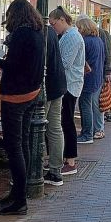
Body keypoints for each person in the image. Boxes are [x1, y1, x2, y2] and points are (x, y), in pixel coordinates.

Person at [0, 0, 44, 215]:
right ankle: (18, 193)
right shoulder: (36, 32)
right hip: (31, 94)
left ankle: (19, 200)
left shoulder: (21, 34)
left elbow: (13, 65)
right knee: (22, 144)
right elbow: (25, 64)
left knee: (14, 147)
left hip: (16, 97)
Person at [48, 7, 84, 183]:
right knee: (64, 122)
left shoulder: (71, 37)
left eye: (54, 24)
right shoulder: (69, 35)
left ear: (62, 20)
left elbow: (64, 62)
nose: (53, 27)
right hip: (69, 83)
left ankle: (70, 160)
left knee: (66, 122)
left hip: (69, 84)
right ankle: (65, 158)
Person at [40, 13, 67, 186]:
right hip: (58, 85)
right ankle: (56, 170)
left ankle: (38, 167)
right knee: (55, 128)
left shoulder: (42, 33)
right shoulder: (50, 32)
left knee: (39, 127)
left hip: (48, 87)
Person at [75, 17, 105, 151]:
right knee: (90, 105)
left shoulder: (85, 41)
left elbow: (82, 60)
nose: (78, 30)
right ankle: (91, 131)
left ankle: (87, 134)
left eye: (79, 27)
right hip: (97, 77)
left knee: (85, 105)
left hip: (87, 77)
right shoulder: (98, 40)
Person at [99, 18, 111, 124]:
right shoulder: (109, 38)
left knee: (109, 92)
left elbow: (110, 54)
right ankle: (109, 113)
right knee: (109, 92)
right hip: (109, 69)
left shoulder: (108, 38)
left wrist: (108, 71)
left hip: (108, 70)